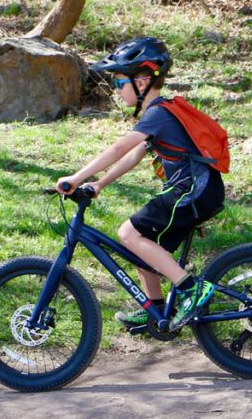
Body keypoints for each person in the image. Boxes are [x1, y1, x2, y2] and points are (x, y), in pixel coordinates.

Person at [55, 37, 226, 331]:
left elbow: (119, 149)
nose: (116, 90)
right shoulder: (159, 114)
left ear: (143, 80)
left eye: (120, 83)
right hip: (197, 189)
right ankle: (155, 310)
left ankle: (190, 288)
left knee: (128, 232)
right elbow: (134, 157)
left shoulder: (158, 113)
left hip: (192, 190)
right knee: (140, 243)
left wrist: (76, 178)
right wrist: (99, 184)